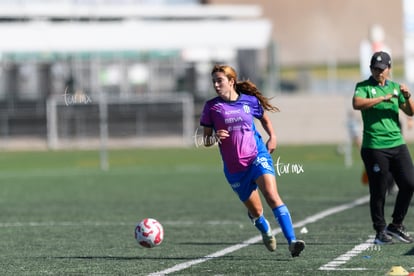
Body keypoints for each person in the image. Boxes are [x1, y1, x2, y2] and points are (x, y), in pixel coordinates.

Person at [200, 64, 305, 257]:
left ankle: (292, 242)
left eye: (219, 80)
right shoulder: (211, 107)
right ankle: (264, 229)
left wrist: (272, 136)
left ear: (231, 81)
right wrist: (214, 138)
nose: (216, 84)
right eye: (213, 81)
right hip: (234, 168)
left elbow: (265, 119)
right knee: (257, 211)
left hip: (257, 156)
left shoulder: (250, 101)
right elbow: (205, 140)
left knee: (272, 195)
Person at [352, 51, 414, 245]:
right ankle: (380, 230)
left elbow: (411, 111)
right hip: (374, 147)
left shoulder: (396, 88)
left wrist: (407, 96)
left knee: (410, 183)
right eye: (374, 69)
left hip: (397, 144)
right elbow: (357, 103)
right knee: (379, 189)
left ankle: (396, 225)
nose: (378, 72)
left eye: (381, 69)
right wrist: (381, 99)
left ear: (389, 69)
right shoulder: (363, 87)